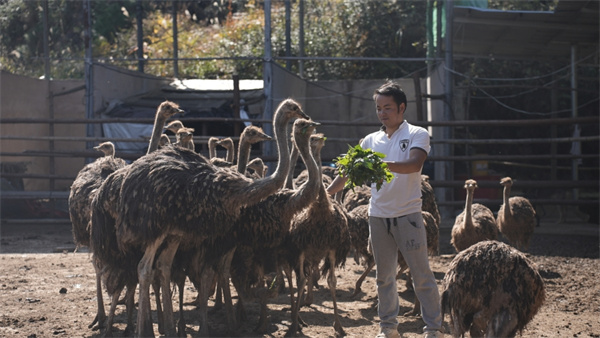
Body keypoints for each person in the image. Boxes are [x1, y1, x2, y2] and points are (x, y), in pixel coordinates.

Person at [327, 80, 443, 338]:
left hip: (408, 216)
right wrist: (325, 193)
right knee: (384, 277)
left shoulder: (417, 134)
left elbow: (413, 164)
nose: (382, 113)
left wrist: (378, 165)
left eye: (387, 107)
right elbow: (347, 172)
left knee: (421, 274)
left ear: (401, 107)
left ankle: (434, 327)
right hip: (378, 217)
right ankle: (388, 328)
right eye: (379, 108)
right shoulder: (370, 140)